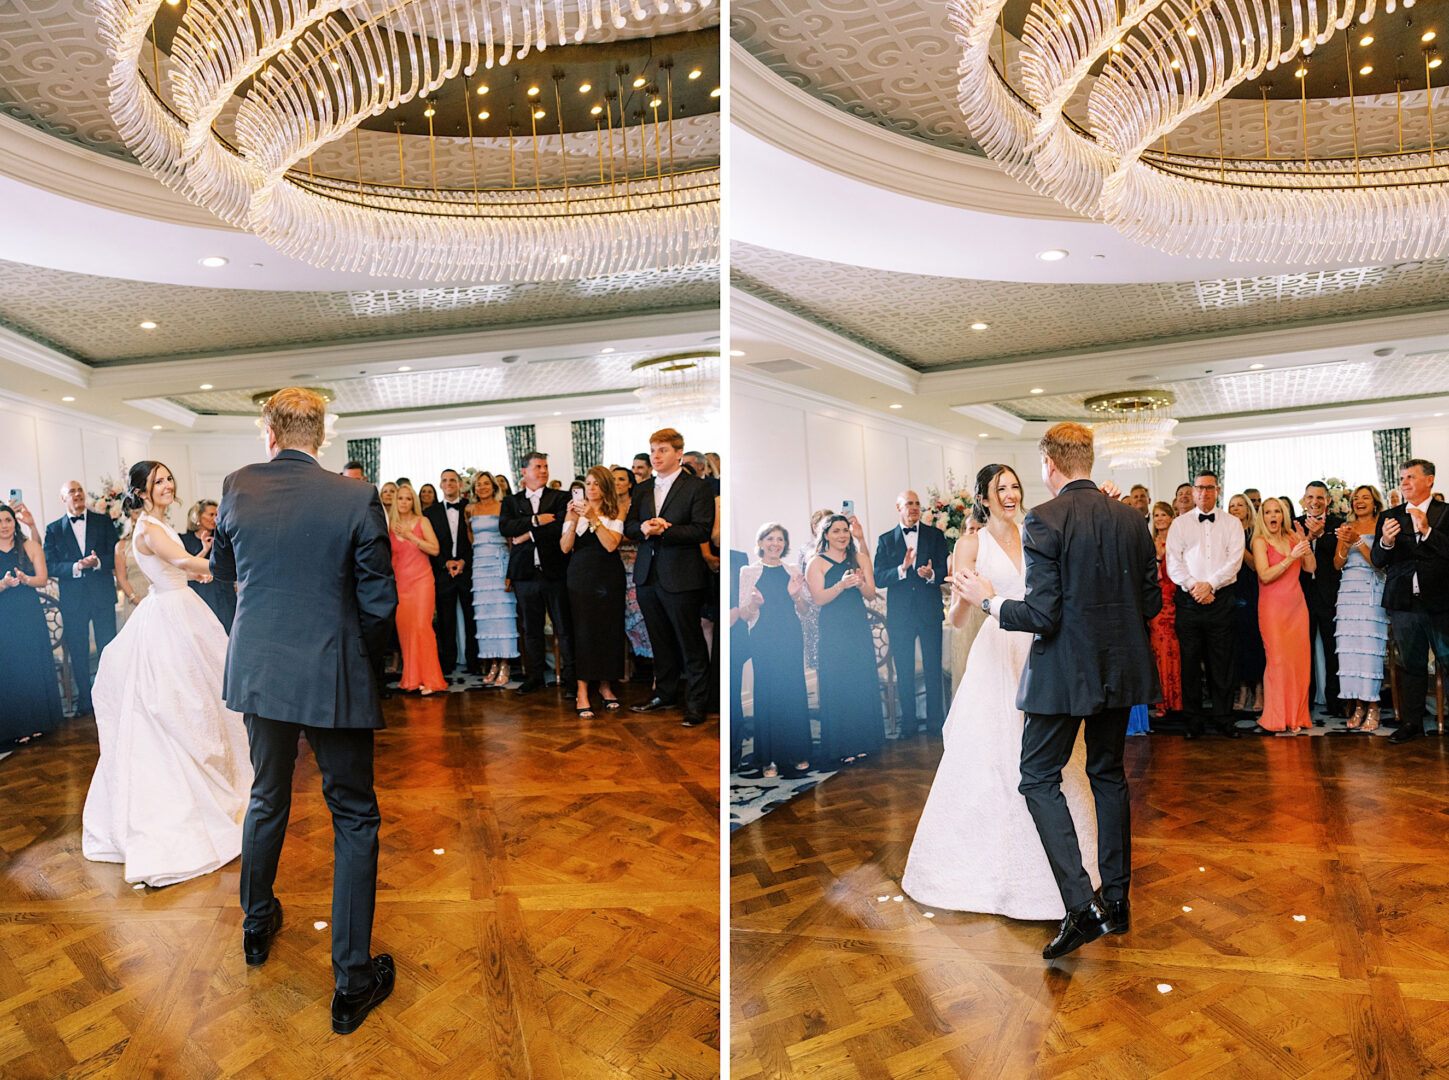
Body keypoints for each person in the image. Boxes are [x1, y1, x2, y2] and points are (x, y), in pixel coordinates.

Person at [209, 387, 398, 1035]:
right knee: (353, 814)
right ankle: (351, 982)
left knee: (267, 796)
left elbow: (223, 570)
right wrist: (369, 669)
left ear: (269, 431)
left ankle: (256, 928)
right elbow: (378, 604)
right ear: (321, 435)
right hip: (333, 670)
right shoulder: (352, 495)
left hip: (260, 668)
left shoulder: (236, 486)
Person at [955, 423, 1161, 959]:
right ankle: (1116, 902)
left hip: (1063, 675)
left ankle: (1080, 906)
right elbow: (1150, 604)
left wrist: (987, 600)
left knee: (1037, 776)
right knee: (1108, 774)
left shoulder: (1044, 520)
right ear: (1088, 460)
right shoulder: (1131, 517)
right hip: (1119, 670)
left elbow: (1042, 615)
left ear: (1049, 464)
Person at [903, 463, 1100, 918]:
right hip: (997, 659)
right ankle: (992, 873)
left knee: (1054, 761)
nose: (1010, 494)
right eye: (1001, 488)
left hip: (1043, 651)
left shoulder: (1038, 530)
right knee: (996, 759)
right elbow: (954, 620)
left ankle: (1070, 870)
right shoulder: (970, 543)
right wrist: (974, 595)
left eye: (1015, 486)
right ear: (984, 497)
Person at [82, 461, 253, 888]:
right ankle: (185, 804)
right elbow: (184, 563)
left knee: (202, 698)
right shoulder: (148, 528)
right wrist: (218, 557)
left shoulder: (155, 524)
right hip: (171, 615)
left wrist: (207, 559)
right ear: (140, 490)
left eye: (169, 478)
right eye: (158, 481)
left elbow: (188, 564)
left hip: (179, 609)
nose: (167, 485)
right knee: (181, 706)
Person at [625, 429, 715, 727]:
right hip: (647, 575)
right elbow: (629, 528)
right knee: (659, 640)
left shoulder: (697, 488)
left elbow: (701, 530)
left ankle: (696, 704)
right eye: (652, 450)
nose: (655, 456)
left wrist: (667, 529)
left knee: (690, 642)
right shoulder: (641, 489)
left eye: (662, 450)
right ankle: (664, 694)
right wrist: (645, 529)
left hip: (682, 576)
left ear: (679, 453)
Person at [1373, 458, 1449, 744]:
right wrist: (1386, 542)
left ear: (1429, 480)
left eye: (1410, 477)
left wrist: (1428, 531)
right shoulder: (1390, 516)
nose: (1403, 483)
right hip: (1404, 604)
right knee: (1411, 666)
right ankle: (1412, 723)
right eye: (1401, 478)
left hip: (1441, 603)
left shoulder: (1446, 513)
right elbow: (1379, 561)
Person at [1165, 470, 1244, 739]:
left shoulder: (1232, 523)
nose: (1203, 493)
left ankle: (1224, 719)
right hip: (1189, 601)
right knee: (1189, 665)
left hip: (1221, 599)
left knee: (1221, 664)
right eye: (1199, 488)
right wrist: (1194, 586)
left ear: (1217, 491)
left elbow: (1234, 561)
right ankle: (1193, 722)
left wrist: (1210, 585)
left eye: (1208, 488)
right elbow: (1173, 563)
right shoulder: (1179, 524)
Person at [805, 514, 884, 763]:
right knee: (839, 684)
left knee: (860, 681)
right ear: (826, 534)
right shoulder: (815, 563)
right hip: (833, 629)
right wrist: (841, 585)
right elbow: (818, 599)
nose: (842, 535)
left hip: (857, 626)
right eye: (836, 531)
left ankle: (865, 742)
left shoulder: (859, 558)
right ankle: (842, 746)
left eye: (845, 531)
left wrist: (859, 583)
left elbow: (871, 594)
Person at [873, 490, 950, 736]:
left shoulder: (936, 535)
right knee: (904, 670)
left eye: (917, 503)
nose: (914, 507)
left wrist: (932, 576)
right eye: (909, 503)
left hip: (929, 612)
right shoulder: (886, 540)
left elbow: (943, 569)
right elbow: (878, 578)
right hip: (901, 616)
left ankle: (936, 722)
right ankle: (908, 724)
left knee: (933, 668)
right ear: (899, 508)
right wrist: (902, 569)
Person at [737, 523, 811, 778]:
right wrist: (753, 604)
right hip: (763, 638)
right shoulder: (748, 572)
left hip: (790, 637)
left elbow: (804, 610)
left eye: (780, 539)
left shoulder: (793, 570)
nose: (775, 543)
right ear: (760, 542)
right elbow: (744, 614)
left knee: (793, 693)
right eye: (770, 538)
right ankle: (769, 758)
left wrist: (795, 595)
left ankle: (797, 752)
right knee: (767, 694)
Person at [499, 451, 574, 693]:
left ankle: (571, 679)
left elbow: (562, 525)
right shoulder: (511, 501)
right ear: (524, 471)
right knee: (531, 629)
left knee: (564, 627)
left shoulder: (560, 497)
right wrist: (535, 521)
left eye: (545, 466)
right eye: (538, 466)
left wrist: (527, 535)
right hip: (525, 575)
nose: (543, 470)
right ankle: (535, 677)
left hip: (555, 571)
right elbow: (505, 527)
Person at [44, 480, 118, 716]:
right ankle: (85, 702)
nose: (77, 495)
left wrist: (97, 562)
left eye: (79, 491)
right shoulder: (54, 529)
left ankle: (112, 698)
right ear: (63, 498)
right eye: (71, 492)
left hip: (102, 594)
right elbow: (50, 564)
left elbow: (115, 554)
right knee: (78, 649)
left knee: (109, 647)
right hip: (73, 599)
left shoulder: (103, 521)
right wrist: (76, 566)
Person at [560, 466, 627, 717]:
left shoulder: (616, 509)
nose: (591, 488)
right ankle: (582, 690)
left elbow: (611, 545)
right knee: (583, 631)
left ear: (605, 486)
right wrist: (574, 519)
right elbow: (565, 548)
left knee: (609, 629)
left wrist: (594, 518)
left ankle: (606, 686)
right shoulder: (575, 511)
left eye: (597, 483)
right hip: (580, 576)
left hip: (609, 575)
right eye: (588, 483)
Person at [0, 501, 62, 744]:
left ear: (14, 522)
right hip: (4, 616)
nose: (4, 525)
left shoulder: (30, 546)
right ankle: (16, 726)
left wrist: (26, 580)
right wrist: (3, 584)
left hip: (28, 614)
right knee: (10, 668)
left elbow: (43, 579)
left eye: (7, 520)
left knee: (32, 665)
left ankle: (39, 723)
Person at [1252, 498, 1315, 734]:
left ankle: (1296, 716)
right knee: (1278, 662)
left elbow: (1310, 568)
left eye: (1277, 511)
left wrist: (1304, 543)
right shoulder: (1259, 541)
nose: (1272, 515)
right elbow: (1265, 576)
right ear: (1262, 517)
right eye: (1267, 512)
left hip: (1297, 608)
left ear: (1284, 514)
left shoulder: (1292, 537)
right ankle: (1276, 717)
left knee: (1299, 663)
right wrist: (1291, 557)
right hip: (1273, 610)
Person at [1334, 485, 1388, 731]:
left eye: (1365, 497)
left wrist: (1359, 543)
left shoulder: (1382, 525)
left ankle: (1374, 705)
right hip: (1348, 592)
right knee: (1349, 651)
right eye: (1356, 498)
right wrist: (1345, 546)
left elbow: (1379, 565)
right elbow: (1337, 564)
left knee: (1369, 649)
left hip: (1371, 590)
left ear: (1375, 502)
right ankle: (1357, 704)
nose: (1359, 501)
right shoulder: (1348, 527)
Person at [389, 482, 447, 695]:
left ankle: (432, 681)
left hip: (422, 582)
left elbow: (435, 549)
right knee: (405, 631)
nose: (404, 502)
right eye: (400, 498)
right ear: (395, 501)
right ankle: (412, 679)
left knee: (422, 627)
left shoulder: (422, 521)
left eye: (408, 498)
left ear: (413, 501)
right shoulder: (389, 525)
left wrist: (411, 535)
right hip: (400, 585)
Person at [424, 469, 479, 677]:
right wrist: (445, 563)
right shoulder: (430, 512)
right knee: (446, 621)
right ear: (440, 484)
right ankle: (447, 663)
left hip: (467, 571)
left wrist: (464, 562)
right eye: (445, 480)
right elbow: (430, 544)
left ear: (459, 484)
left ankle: (474, 662)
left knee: (471, 618)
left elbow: (475, 540)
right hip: (443, 572)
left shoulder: (470, 508)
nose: (449, 484)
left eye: (453, 480)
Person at [1296, 481, 1344, 720]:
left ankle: (1335, 702)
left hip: (1328, 595)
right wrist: (1306, 535)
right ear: (1303, 499)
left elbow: (1338, 556)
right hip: (1300, 595)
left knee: (1331, 649)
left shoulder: (1337, 524)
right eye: (1310, 497)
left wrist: (1321, 535)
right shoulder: (1294, 523)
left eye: (1319, 497)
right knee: (1303, 651)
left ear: (1328, 501)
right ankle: (1305, 700)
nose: (1314, 501)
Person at [467, 472, 517, 687]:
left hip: (499, 562)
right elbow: (470, 535)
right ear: (474, 488)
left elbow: (510, 539)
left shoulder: (502, 506)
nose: (483, 487)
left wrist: (510, 572)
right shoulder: (470, 509)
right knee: (486, 616)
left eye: (487, 484)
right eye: (479, 484)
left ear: (494, 486)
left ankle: (505, 662)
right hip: (480, 566)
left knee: (503, 614)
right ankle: (493, 662)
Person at [1226, 494, 1264, 714]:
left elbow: (1255, 566)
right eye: (1232, 506)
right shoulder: (1225, 532)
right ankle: (1242, 691)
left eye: (1240, 505)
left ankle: (1259, 690)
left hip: (1252, 590)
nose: (1236, 509)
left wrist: (1240, 545)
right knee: (1236, 645)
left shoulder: (1255, 533)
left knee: (1254, 642)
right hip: (1231, 591)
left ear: (1248, 509)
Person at [613, 467, 652, 668]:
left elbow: (642, 531)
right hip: (613, 564)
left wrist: (619, 537)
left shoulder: (638, 504)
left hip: (638, 563)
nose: (617, 483)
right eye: (613, 479)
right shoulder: (605, 507)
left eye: (621, 479)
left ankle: (652, 663)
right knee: (619, 615)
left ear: (630, 483)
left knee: (641, 613)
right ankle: (626, 665)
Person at [1147, 501, 1182, 721]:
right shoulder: (1150, 543)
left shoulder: (1179, 542)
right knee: (1158, 651)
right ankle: (1161, 701)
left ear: (1171, 517)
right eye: (1156, 515)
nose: (1160, 518)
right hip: (1158, 604)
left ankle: (1176, 701)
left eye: (1163, 514)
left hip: (1177, 601)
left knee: (1176, 651)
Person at [183, 498, 236, 632]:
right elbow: (186, 567)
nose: (215, 518)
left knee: (227, 632)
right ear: (198, 516)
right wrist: (205, 549)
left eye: (217, 515)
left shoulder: (222, 538)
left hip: (224, 593)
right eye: (211, 514)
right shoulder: (184, 540)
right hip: (200, 593)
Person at [114, 506, 149, 630]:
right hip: (134, 596)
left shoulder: (154, 541)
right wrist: (134, 598)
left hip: (154, 593)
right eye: (137, 513)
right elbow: (121, 577)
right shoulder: (121, 546)